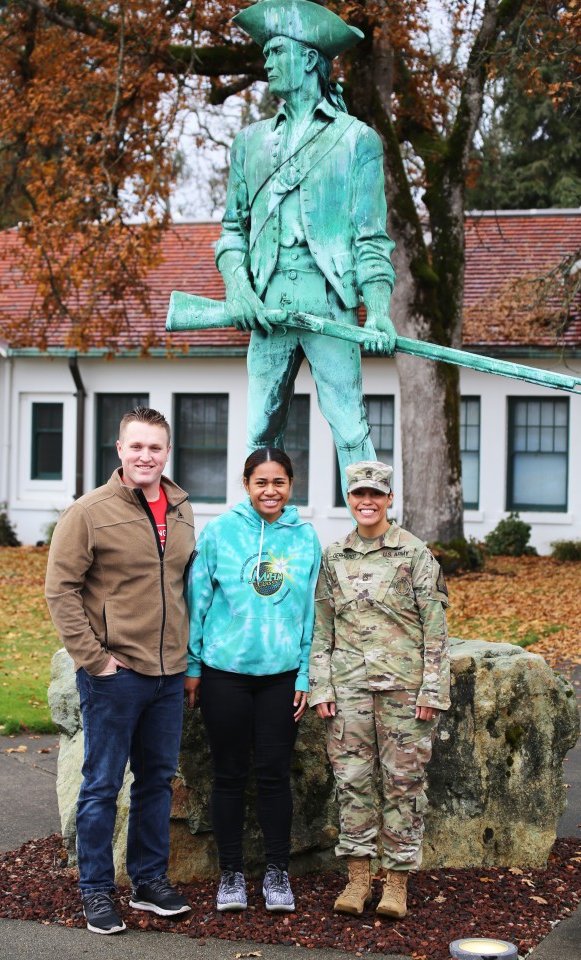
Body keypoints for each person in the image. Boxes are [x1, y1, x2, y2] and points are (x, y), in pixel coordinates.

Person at [216, 0, 396, 492]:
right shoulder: (248, 145)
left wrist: (377, 311)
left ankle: (374, 549)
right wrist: (239, 289)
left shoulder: (357, 141)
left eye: (277, 51)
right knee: (259, 431)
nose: (267, 62)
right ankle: (253, 538)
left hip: (331, 306)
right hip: (267, 310)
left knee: (352, 429)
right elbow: (232, 232)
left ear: (311, 58)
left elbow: (371, 239)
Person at [45, 406, 195, 935]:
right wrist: (95, 660)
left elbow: (182, 587)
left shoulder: (181, 508)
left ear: (166, 453)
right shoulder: (88, 512)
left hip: (168, 673)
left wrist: (185, 658)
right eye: (136, 446)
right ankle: (96, 891)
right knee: (102, 785)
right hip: (116, 673)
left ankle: (149, 882)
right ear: (120, 450)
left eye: (155, 447)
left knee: (156, 782)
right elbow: (59, 591)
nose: (145, 456)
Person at [309, 461, 450, 920]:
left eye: (375, 494)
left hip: (404, 692)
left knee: (403, 784)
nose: (366, 502)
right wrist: (320, 685)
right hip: (348, 690)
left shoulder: (414, 554)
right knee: (352, 782)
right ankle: (357, 878)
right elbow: (322, 628)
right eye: (357, 494)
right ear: (348, 499)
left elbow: (436, 630)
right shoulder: (334, 557)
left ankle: (397, 882)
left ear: (389, 498)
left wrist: (432, 690)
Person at [185, 448, 321, 913]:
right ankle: (231, 874)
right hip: (227, 674)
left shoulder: (304, 538)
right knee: (228, 774)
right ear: (246, 484)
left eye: (279, 482)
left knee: (273, 775)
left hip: (281, 677)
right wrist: (193, 666)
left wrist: (305, 673)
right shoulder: (221, 532)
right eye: (261, 482)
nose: (270, 490)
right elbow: (197, 600)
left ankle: (278, 872)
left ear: (291, 484)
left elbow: (310, 616)